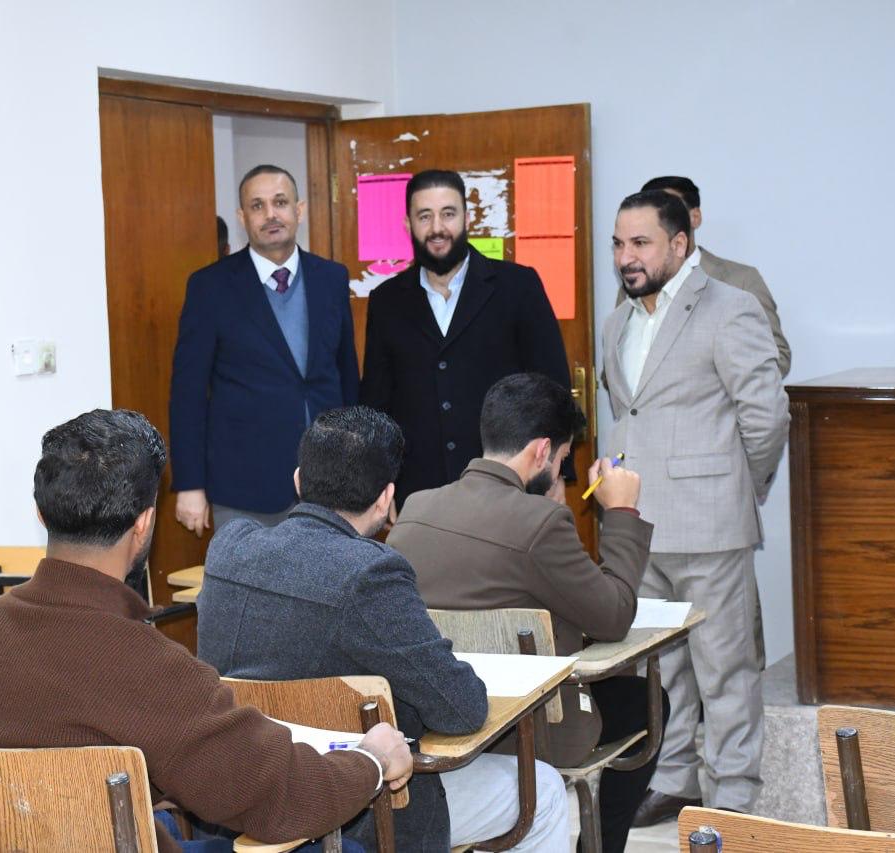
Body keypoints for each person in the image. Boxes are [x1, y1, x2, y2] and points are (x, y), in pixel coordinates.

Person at [0, 409, 411, 853]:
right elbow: (278, 798)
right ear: (144, 524)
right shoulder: (144, 665)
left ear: (41, 514)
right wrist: (370, 761)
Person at [197, 406, 569, 852]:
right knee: (544, 790)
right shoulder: (370, 573)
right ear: (385, 497)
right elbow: (461, 710)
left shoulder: (229, 548)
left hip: (243, 800)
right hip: (362, 810)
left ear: (298, 481)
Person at [388, 372, 662, 853]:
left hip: (439, 718)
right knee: (649, 700)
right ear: (542, 451)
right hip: (531, 730)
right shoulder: (541, 523)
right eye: (561, 459)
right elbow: (614, 615)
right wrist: (621, 513)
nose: (560, 472)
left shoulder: (415, 508)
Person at [601, 191, 789, 824]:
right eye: (619, 244)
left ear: (679, 244)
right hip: (637, 526)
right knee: (662, 669)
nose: (626, 257)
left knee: (725, 670)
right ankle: (674, 778)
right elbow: (629, 415)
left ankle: (734, 796)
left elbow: (766, 416)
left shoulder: (731, 307)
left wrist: (737, 486)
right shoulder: (618, 320)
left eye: (641, 243)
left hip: (710, 524)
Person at [359, 169, 572, 505]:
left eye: (448, 214)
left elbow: (553, 388)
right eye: (424, 216)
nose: (437, 228)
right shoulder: (387, 301)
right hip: (420, 493)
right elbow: (376, 403)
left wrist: (557, 473)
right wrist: (381, 485)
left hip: (509, 485)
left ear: (467, 218)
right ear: (408, 225)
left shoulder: (518, 286)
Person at [170, 165, 360, 534]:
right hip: (243, 486)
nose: (270, 214)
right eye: (257, 206)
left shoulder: (331, 278)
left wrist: (358, 468)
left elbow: (347, 378)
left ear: (299, 210)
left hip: (328, 484)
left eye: (280, 202)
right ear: (242, 217)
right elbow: (187, 394)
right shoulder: (210, 287)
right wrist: (190, 484)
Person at [629, 176, 791, 376]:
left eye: (670, 214)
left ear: (695, 217)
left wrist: (713, 387)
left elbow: (777, 357)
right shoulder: (635, 285)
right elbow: (617, 364)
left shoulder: (741, 280)